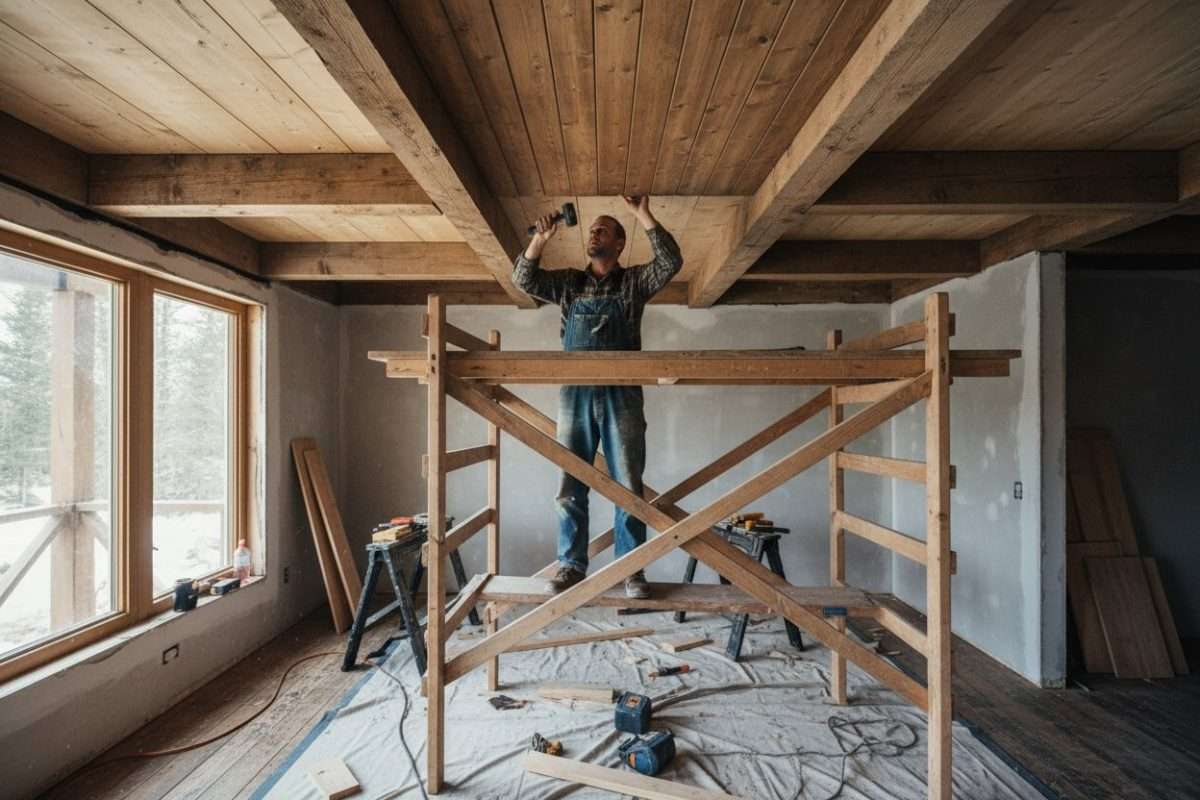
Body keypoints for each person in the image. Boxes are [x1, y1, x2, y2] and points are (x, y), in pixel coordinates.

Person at [514, 195, 683, 598]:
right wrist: (540, 239)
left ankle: (631, 570)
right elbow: (524, 279)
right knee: (570, 483)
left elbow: (670, 262)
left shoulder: (633, 283)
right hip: (574, 392)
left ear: (620, 243)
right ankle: (571, 565)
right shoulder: (570, 284)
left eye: (603, 230)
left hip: (622, 393)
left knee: (628, 484)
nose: (594, 233)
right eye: (592, 230)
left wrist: (642, 213)